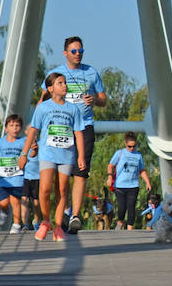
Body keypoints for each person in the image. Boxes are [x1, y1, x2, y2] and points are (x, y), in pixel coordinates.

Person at [46, 35, 107, 233]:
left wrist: (95, 101)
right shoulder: (56, 74)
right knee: (59, 175)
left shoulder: (91, 72)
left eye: (81, 51)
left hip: (85, 126)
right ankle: (62, 210)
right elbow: (43, 99)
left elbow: (103, 99)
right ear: (65, 53)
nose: (78, 54)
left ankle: (75, 216)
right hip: (61, 128)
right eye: (74, 51)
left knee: (81, 172)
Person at [20, 71, 87, 241]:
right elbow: (33, 130)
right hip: (48, 152)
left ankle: (58, 227)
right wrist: (24, 154)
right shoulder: (43, 107)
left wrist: (81, 156)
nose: (65, 86)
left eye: (65, 83)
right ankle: (45, 221)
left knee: (62, 189)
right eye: (60, 83)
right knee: (45, 188)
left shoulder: (73, 108)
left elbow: (78, 133)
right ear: (50, 88)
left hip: (66, 154)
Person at [0, 114, 27, 232]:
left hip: (16, 178)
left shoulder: (23, 142)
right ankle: (4, 211)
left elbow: (30, 154)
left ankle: (17, 225)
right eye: (11, 125)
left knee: (15, 201)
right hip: (2, 179)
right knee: (4, 203)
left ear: (21, 128)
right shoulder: (0, 143)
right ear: (6, 128)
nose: (14, 128)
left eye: (17, 126)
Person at [107, 131, 153, 230]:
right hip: (120, 186)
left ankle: (129, 230)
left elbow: (142, 170)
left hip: (133, 185)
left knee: (131, 207)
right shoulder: (119, 153)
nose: (132, 149)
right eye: (129, 146)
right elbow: (110, 165)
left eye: (134, 146)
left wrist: (147, 182)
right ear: (125, 144)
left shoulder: (138, 156)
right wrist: (110, 177)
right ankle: (120, 221)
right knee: (122, 208)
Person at [20, 140, 40, 230]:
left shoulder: (42, 144)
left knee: (36, 202)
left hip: (38, 178)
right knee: (24, 200)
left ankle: (36, 222)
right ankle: (25, 224)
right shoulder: (23, 145)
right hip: (25, 178)